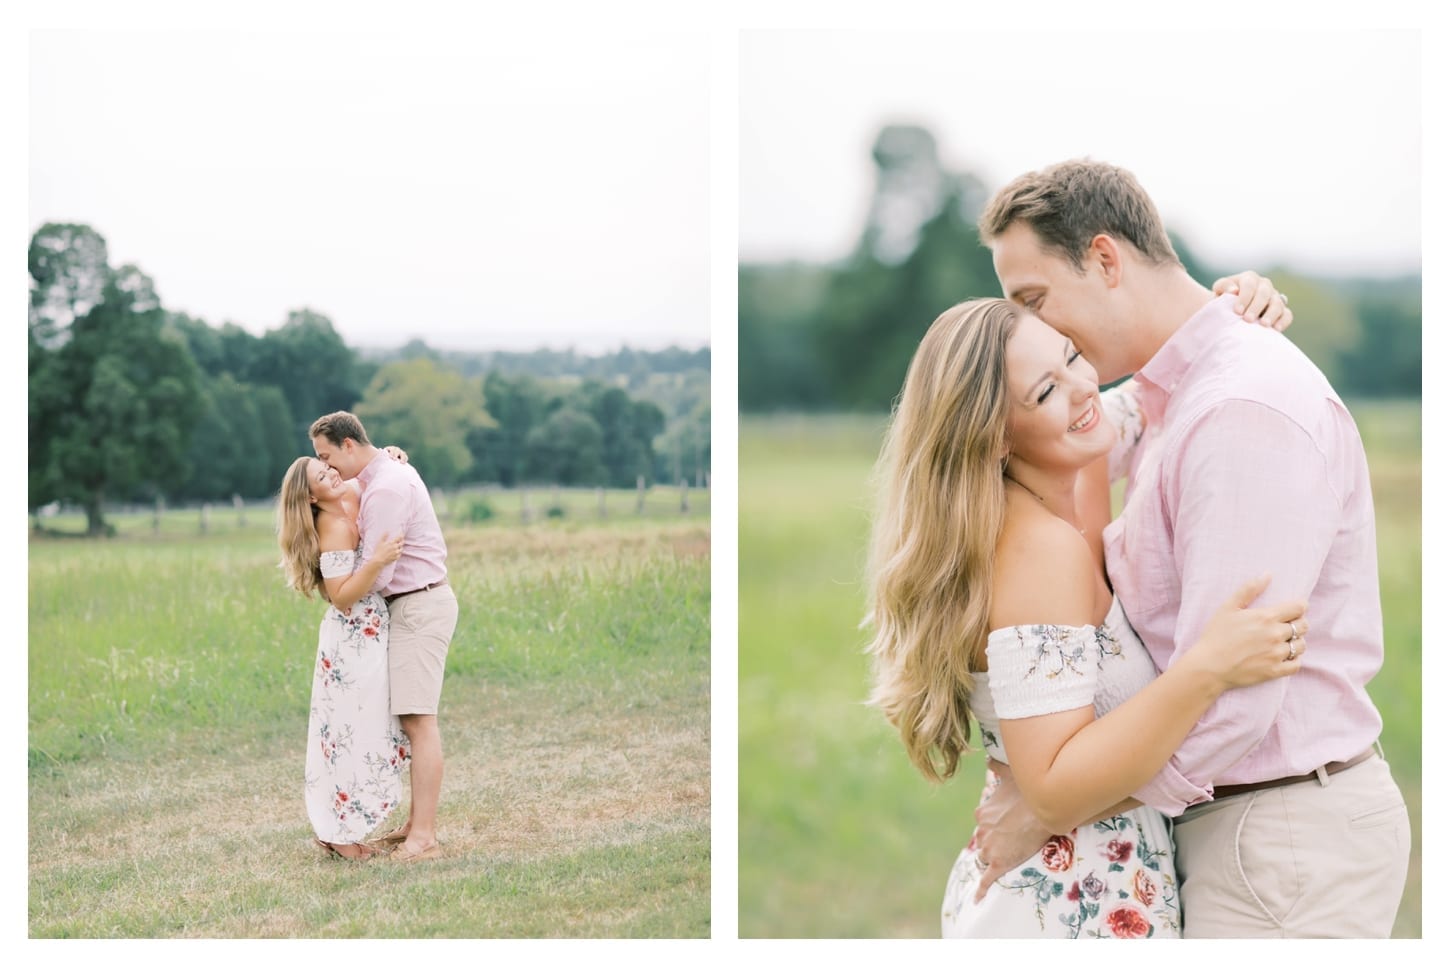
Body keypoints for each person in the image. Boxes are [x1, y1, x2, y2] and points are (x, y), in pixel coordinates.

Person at [968, 158, 1410, 938]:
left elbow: (1234, 704)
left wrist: (1058, 806)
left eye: (1034, 300)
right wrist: (1226, 306)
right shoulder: (1175, 394)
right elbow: (1089, 418)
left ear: (1105, 259)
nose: (1036, 332)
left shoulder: (1239, 406)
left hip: (1278, 839)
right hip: (1242, 832)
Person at [864, 282, 1306, 938]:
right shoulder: (1039, 551)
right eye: (1044, 392)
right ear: (995, 441)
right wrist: (1206, 668)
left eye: (1071, 355)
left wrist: (1237, 304)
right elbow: (1049, 787)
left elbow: (1150, 390)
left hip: (1078, 885)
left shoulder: (1074, 453)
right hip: (1077, 905)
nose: (1080, 389)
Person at [310, 411, 459, 864]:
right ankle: (415, 826)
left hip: (417, 603)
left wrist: (342, 585)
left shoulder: (387, 487)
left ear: (349, 446)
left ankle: (424, 840)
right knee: (411, 721)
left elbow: (380, 572)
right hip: (407, 607)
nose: (329, 468)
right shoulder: (381, 478)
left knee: (418, 720)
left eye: (327, 456)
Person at [277, 453, 409, 861]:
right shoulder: (331, 526)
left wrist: (390, 452)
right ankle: (337, 833)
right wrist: (377, 562)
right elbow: (341, 597)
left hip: (371, 632)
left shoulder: (349, 492)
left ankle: (347, 825)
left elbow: (368, 471)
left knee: (370, 725)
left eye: (328, 467)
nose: (332, 474)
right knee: (349, 731)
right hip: (351, 640)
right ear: (311, 497)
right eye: (321, 476)